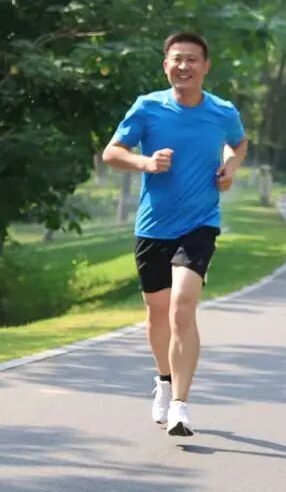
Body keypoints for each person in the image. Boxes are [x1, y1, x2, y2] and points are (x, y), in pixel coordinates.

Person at [101, 31, 248, 437]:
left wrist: (230, 168)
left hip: (200, 223)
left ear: (206, 66)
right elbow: (112, 152)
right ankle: (164, 381)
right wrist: (145, 163)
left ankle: (181, 406)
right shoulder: (148, 107)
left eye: (192, 59)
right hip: (153, 225)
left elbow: (239, 144)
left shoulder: (222, 111)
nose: (184, 66)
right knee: (157, 314)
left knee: (182, 307)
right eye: (177, 59)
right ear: (166, 65)